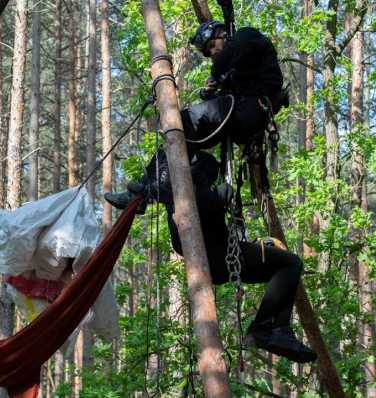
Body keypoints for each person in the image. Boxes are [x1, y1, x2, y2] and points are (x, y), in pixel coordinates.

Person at [105, 22, 315, 363]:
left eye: (211, 47)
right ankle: (268, 328)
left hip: (244, 115)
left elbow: (232, 53)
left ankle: (271, 329)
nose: (212, 55)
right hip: (215, 253)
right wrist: (221, 195)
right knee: (288, 263)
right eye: (208, 53)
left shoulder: (245, 37)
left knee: (182, 125)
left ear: (220, 36)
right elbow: (203, 197)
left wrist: (216, 80)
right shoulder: (191, 184)